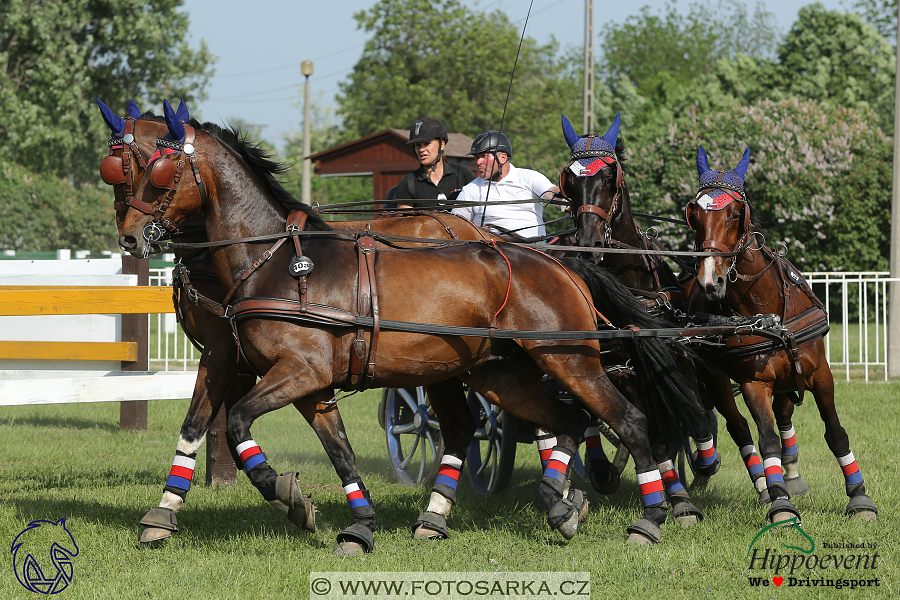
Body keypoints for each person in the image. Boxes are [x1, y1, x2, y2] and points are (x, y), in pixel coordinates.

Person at [450, 130, 559, 239]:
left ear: (503, 157)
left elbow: (551, 193)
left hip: (535, 249)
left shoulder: (529, 177)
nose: (478, 162)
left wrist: (564, 200)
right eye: (477, 157)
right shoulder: (470, 190)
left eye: (484, 156)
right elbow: (455, 227)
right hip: (494, 251)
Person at [394, 117, 475, 209]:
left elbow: (479, 211)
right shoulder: (408, 182)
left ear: (442, 144)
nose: (421, 149)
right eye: (417, 145)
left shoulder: (462, 173)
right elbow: (406, 221)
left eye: (426, 143)